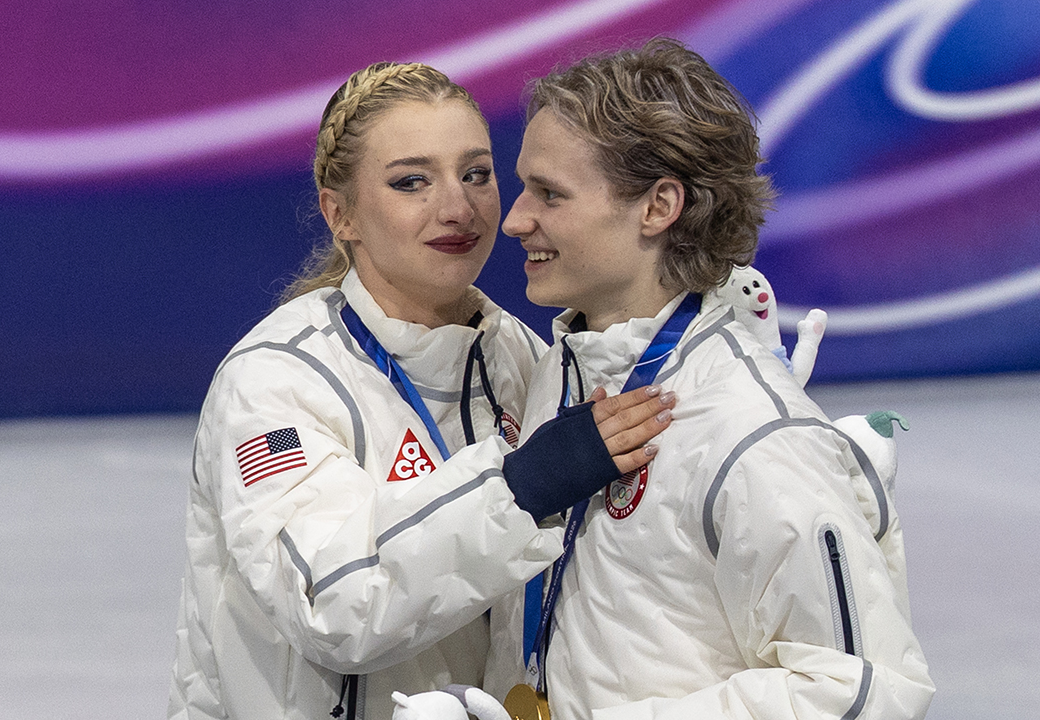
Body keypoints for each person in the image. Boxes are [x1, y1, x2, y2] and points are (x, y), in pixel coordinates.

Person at [167, 62, 677, 720]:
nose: (458, 208)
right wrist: (522, 485)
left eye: (476, 174)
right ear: (340, 213)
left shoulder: (520, 358)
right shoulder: (275, 382)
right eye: (412, 181)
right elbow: (329, 601)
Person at [484, 39, 935, 720]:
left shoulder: (751, 432)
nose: (515, 219)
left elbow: (860, 693)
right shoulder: (564, 370)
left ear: (658, 206)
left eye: (550, 193)